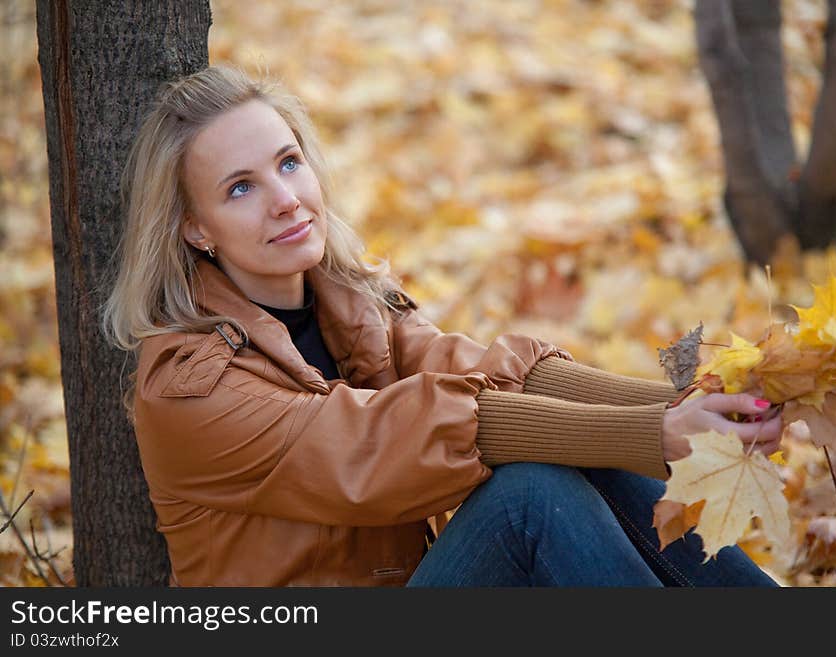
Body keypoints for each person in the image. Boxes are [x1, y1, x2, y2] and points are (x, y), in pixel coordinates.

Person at [101, 65, 782, 587]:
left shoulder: (344, 303)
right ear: (195, 228)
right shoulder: (188, 393)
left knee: (591, 456)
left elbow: (486, 371)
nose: (284, 200)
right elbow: (383, 440)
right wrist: (654, 434)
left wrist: (686, 407)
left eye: (288, 163)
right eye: (240, 188)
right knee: (530, 497)